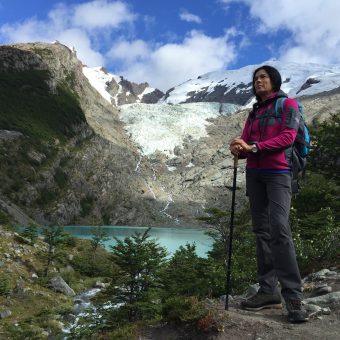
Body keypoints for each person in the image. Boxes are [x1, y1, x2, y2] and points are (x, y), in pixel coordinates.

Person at [229, 65, 308, 323]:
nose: (258, 81)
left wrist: (254, 147)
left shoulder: (288, 105)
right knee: (261, 231)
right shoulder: (253, 113)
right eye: (255, 78)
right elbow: (245, 143)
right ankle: (267, 291)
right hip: (255, 174)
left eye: (263, 77)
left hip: (279, 173)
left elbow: (288, 137)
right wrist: (239, 149)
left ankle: (293, 296)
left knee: (279, 229)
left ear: (274, 81)